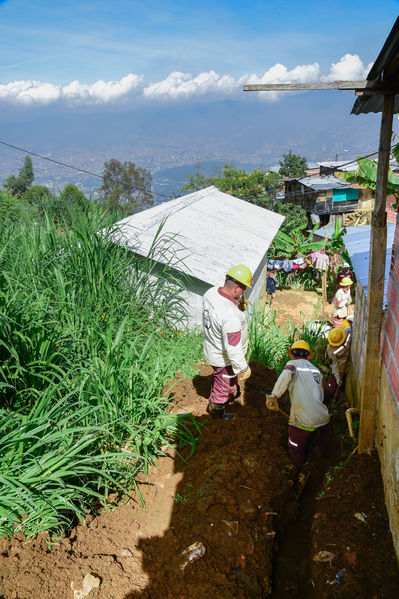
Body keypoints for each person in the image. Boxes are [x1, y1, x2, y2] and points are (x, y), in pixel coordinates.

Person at [266, 340, 331, 469]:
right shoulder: (316, 371)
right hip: (324, 418)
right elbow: (321, 395)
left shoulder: (292, 365)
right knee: (321, 442)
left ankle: (298, 468)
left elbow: (285, 376)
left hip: (303, 421)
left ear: (291, 355)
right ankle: (318, 457)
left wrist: (274, 396)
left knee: (295, 446)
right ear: (308, 356)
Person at [202, 264, 253, 420]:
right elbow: (233, 349)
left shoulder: (210, 293)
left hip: (212, 346)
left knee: (221, 377)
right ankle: (217, 412)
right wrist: (243, 367)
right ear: (236, 288)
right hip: (223, 357)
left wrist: (237, 306)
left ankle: (222, 385)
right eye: (243, 289)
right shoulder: (230, 316)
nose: (243, 293)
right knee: (224, 385)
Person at [325, 325, 352, 394]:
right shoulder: (330, 350)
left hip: (346, 366)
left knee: (342, 386)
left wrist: (351, 327)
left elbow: (349, 328)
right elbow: (334, 364)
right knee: (332, 389)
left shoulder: (344, 333)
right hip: (339, 369)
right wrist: (337, 378)